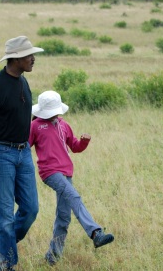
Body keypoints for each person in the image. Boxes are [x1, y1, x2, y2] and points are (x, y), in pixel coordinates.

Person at [0, 36, 44, 271]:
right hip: (0, 154)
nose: (33, 59)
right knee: (4, 216)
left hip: (23, 153)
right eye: (29, 55)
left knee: (31, 208)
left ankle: (3, 240)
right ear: (15, 59)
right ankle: (5, 265)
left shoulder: (23, 82)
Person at [28, 90, 115, 266]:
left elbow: (74, 147)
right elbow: (24, 147)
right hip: (50, 172)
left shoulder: (64, 125)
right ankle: (95, 233)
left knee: (63, 217)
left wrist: (84, 141)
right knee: (74, 196)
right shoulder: (35, 126)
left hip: (66, 172)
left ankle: (52, 257)